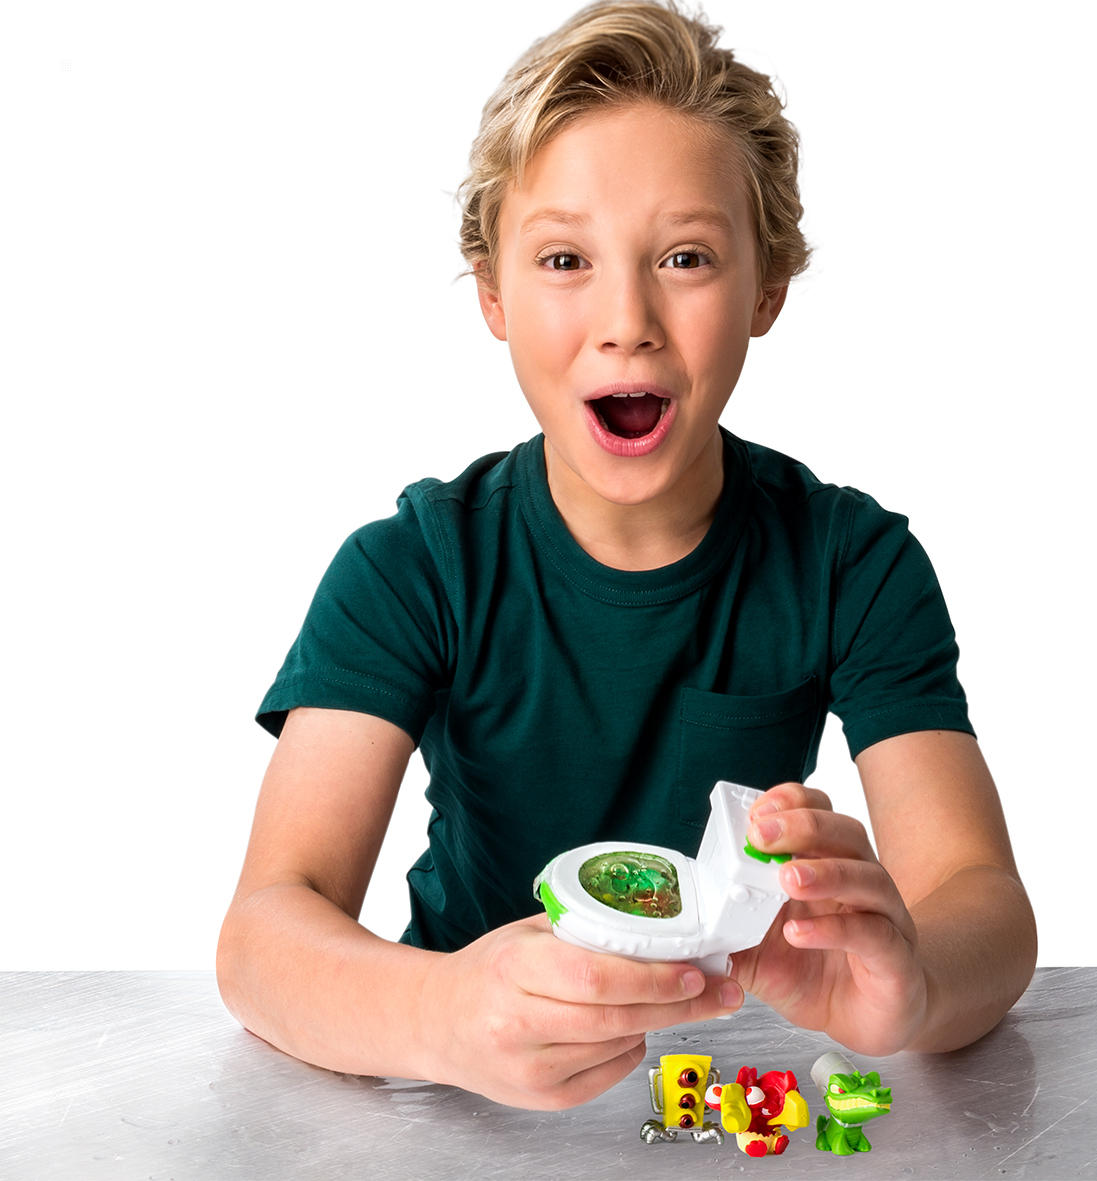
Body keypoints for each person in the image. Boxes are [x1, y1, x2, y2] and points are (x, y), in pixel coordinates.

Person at [216, 0, 1036, 1111]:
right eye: (564, 258)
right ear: (493, 295)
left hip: (733, 1076)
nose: (627, 319)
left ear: (765, 288)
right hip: (464, 1097)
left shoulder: (854, 562)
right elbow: (265, 930)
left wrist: (914, 985)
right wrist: (441, 1014)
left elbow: (981, 898)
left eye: (685, 257)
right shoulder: (411, 567)